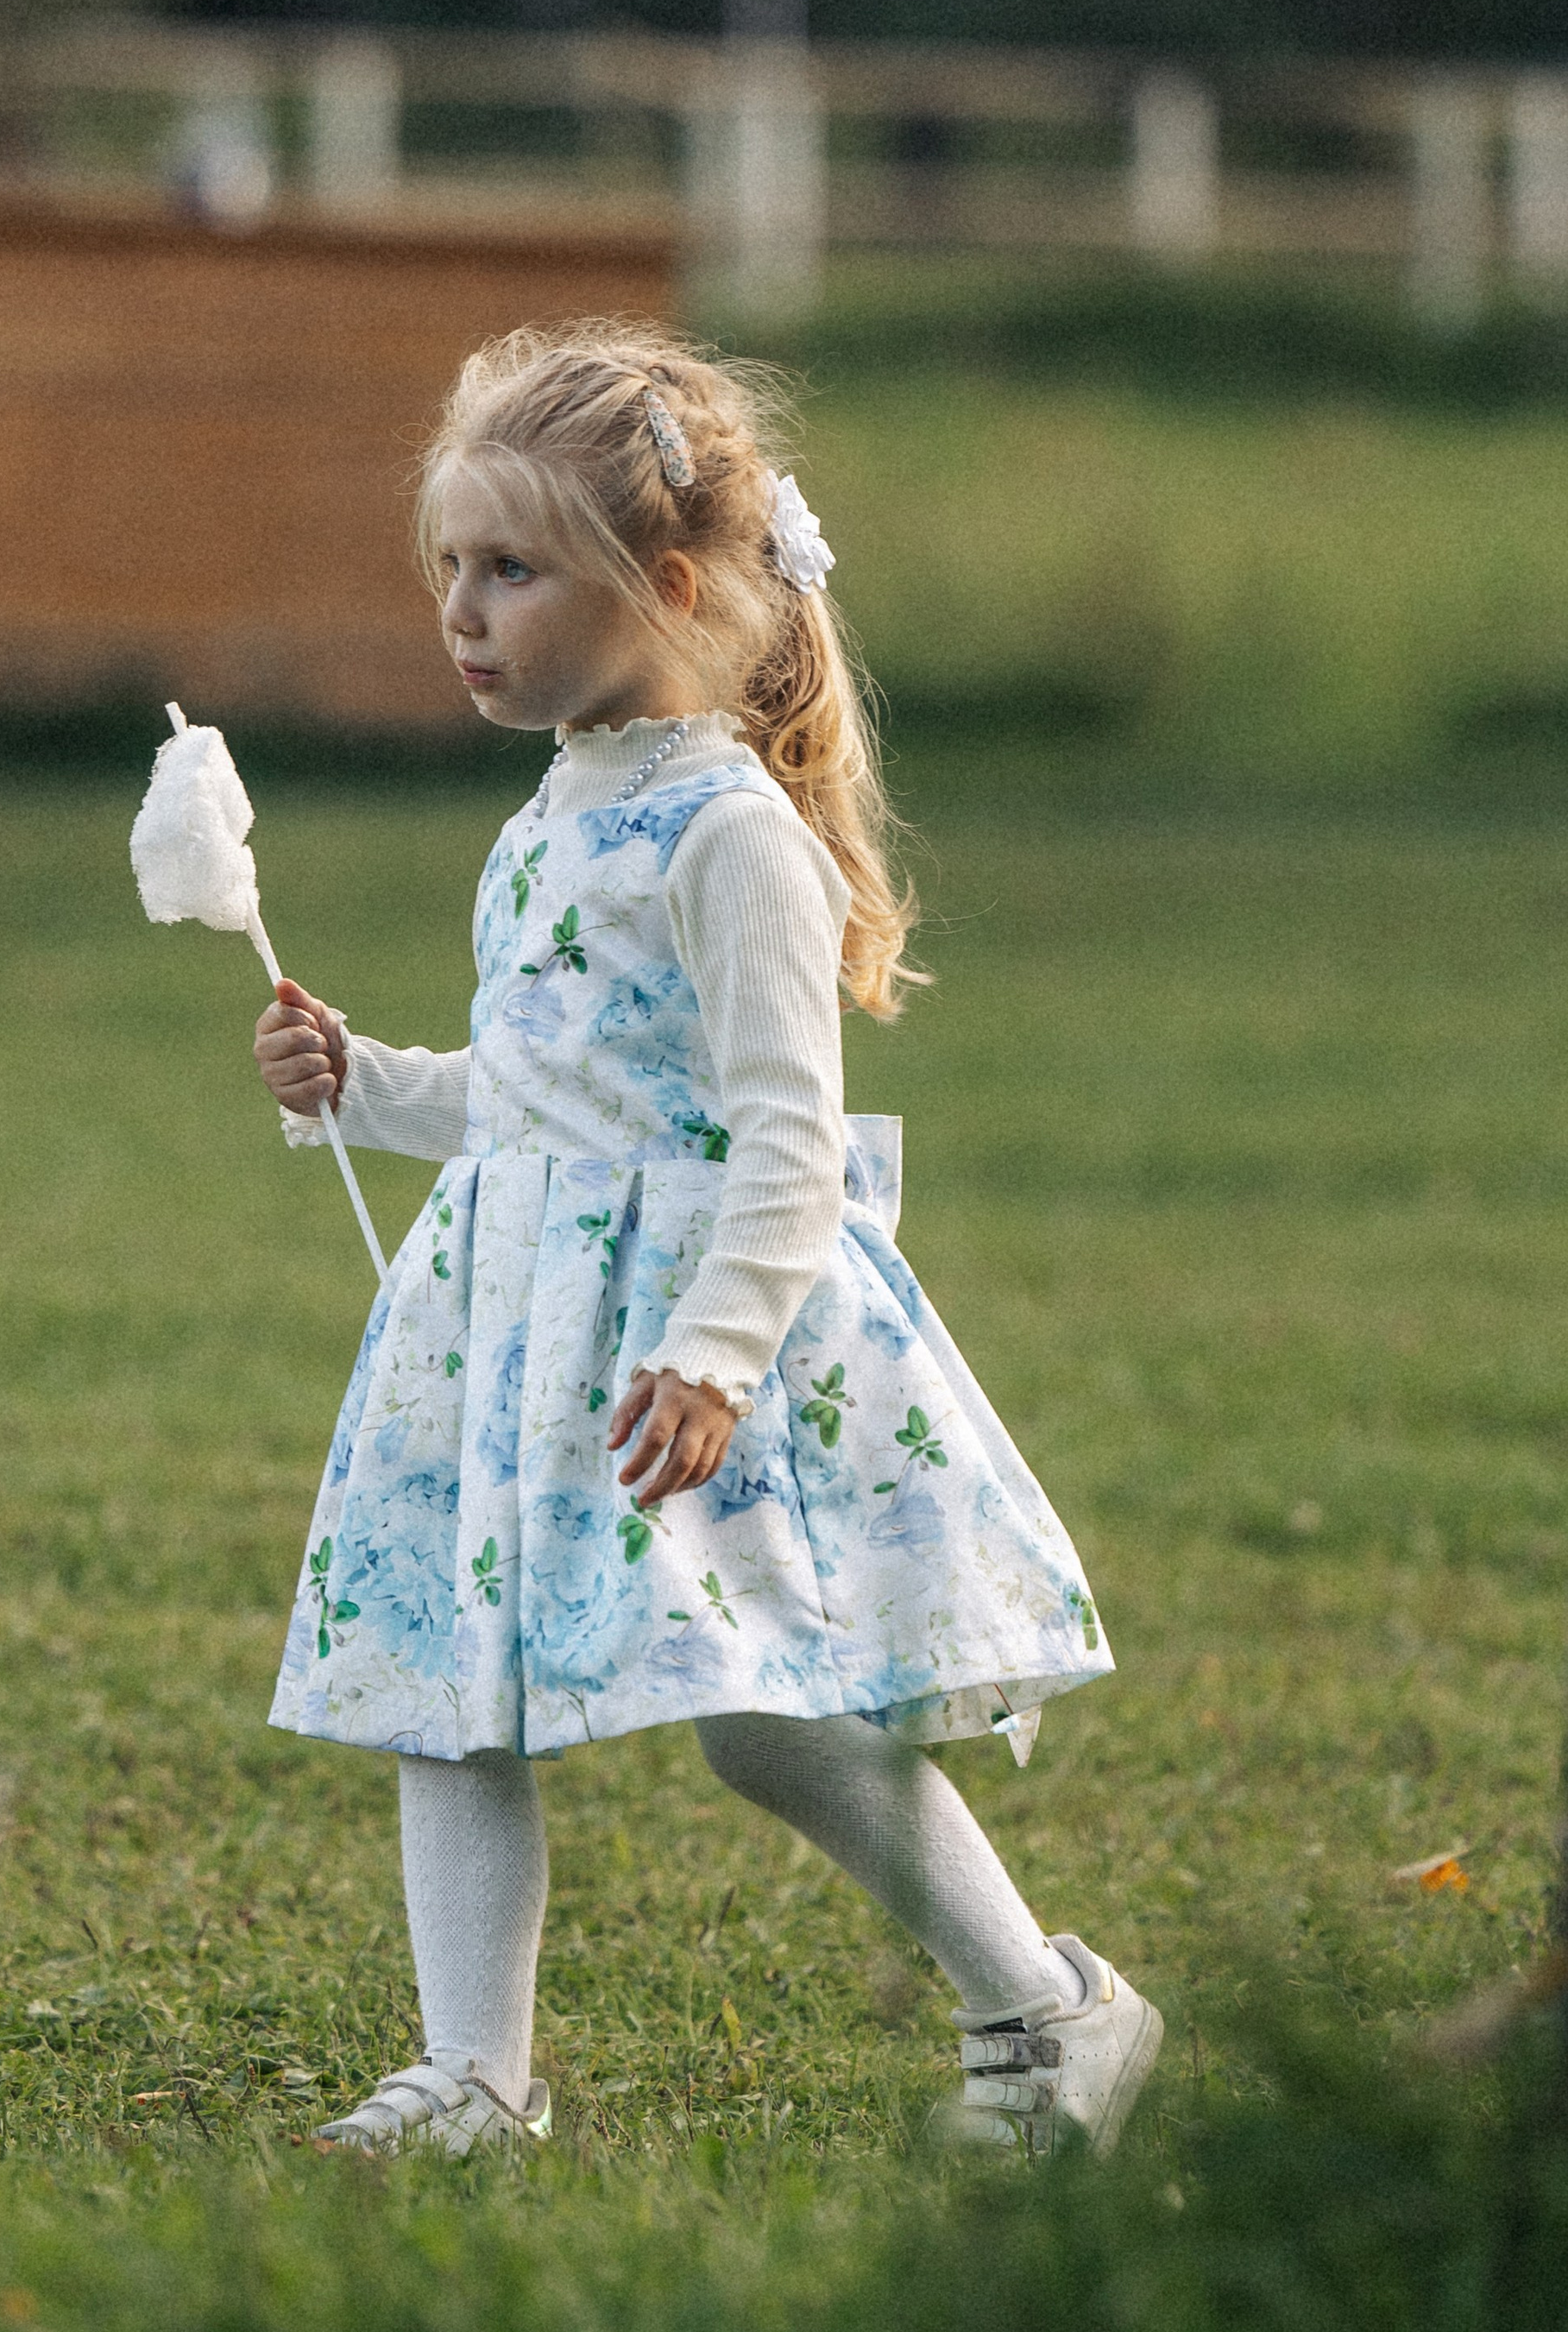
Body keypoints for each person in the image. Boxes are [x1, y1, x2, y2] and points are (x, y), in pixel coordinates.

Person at [254, 321, 1160, 2160]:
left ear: (664, 588)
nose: (462, 610)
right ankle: (475, 2078)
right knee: (451, 1681)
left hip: (681, 1347)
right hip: (518, 1321)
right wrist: (366, 1082)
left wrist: (716, 1352)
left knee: (766, 1716)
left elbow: (786, 1138)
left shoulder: (729, 837)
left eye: (512, 569)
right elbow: (542, 1094)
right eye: (450, 565)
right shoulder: (548, 812)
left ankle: (1052, 2008)